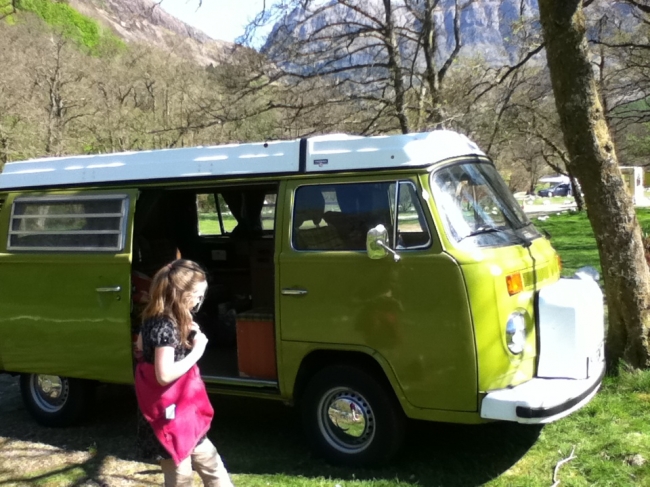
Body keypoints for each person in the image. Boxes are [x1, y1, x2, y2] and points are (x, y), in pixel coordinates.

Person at [134, 259, 233, 487]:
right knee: (180, 474)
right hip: (167, 413)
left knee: (211, 462)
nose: (200, 301)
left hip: (179, 410)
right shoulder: (165, 326)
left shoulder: (153, 318)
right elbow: (164, 375)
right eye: (197, 295)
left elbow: (139, 348)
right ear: (180, 294)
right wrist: (197, 351)